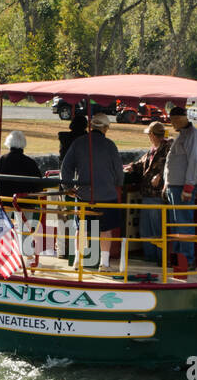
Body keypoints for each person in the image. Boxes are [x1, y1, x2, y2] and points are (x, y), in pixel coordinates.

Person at [59, 113, 123, 271]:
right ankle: (105, 263)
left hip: (83, 194)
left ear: (91, 127)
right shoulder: (110, 145)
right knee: (106, 230)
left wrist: (68, 187)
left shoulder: (79, 143)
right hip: (107, 195)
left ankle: (78, 261)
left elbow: (65, 167)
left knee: (81, 228)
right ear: (106, 128)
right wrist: (117, 184)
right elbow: (119, 172)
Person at [162, 105, 197, 270]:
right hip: (175, 186)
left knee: (184, 224)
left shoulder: (193, 136)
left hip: (183, 188)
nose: (172, 124)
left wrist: (188, 187)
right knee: (176, 225)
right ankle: (178, 258)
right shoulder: (182, 136)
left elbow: (194, 162)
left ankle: (187, 259)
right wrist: (167, 182)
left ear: (180, 119)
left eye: (173, 121)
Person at [123, 121, 171, 263]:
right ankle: (150, 257)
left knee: (158, 229)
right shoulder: (152, 150)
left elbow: (172, 165)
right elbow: (141, 162)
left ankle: (161, 259)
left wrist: (161, 176)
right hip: (147, 195)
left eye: (149, 134)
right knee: (146, 229)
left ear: (152, 135)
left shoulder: (168, 148)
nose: (149, 137)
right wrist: (132, 167)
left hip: (157, 195)